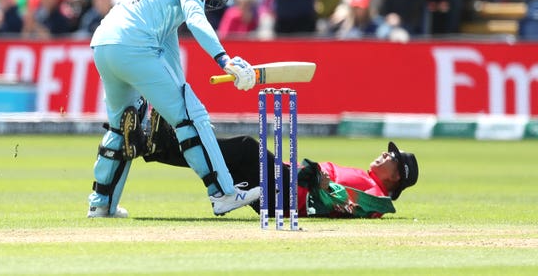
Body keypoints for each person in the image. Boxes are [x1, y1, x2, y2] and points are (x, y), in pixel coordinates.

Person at [87, 0, 260, 219]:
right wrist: (223, 60)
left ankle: (101, 204)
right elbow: (196, 19)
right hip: (134, 47)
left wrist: (177, 95)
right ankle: (222, 193)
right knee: (190, 118)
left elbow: (170, 54)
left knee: (121, 126)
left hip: (103, 46)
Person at [141, 111, 419, 219]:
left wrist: (324, 186)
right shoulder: (366, 177)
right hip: (286, 182)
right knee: (227, 164)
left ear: (397, 177)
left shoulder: (378, 195)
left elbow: (364, 206)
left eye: (391, 158)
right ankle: (155, 148)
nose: (384, 155)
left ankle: (166, 141)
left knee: (246, 148)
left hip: (288, 196)